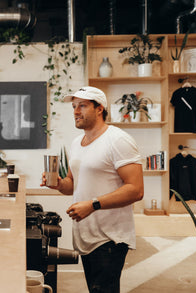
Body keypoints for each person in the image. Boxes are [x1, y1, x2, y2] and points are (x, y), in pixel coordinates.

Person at [42, 86, 144, 292]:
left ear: (100, 109)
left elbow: (136, 190)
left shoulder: (118, 140)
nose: (76, 112)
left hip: (110, 238)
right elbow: (72, 185)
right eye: (74, 107)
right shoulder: (77, 143)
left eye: (82, 106)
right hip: (86, 233)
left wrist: (93, 205)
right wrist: (59, 184)